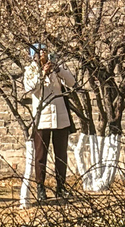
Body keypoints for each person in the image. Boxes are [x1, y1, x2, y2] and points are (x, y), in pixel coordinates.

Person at [23, 43, 76, 202]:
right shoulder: (30, 70)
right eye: (40, 53)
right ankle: (40, 187)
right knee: (41, 156)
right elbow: (31, 88)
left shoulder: (57, 67)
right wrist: (42, 74)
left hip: (60, 117)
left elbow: (71, 82)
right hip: (42, 118)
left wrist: (58, 70)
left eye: (46, 51)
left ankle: (61, 187)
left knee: (61, 154)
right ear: (34, 56)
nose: (44, 55)